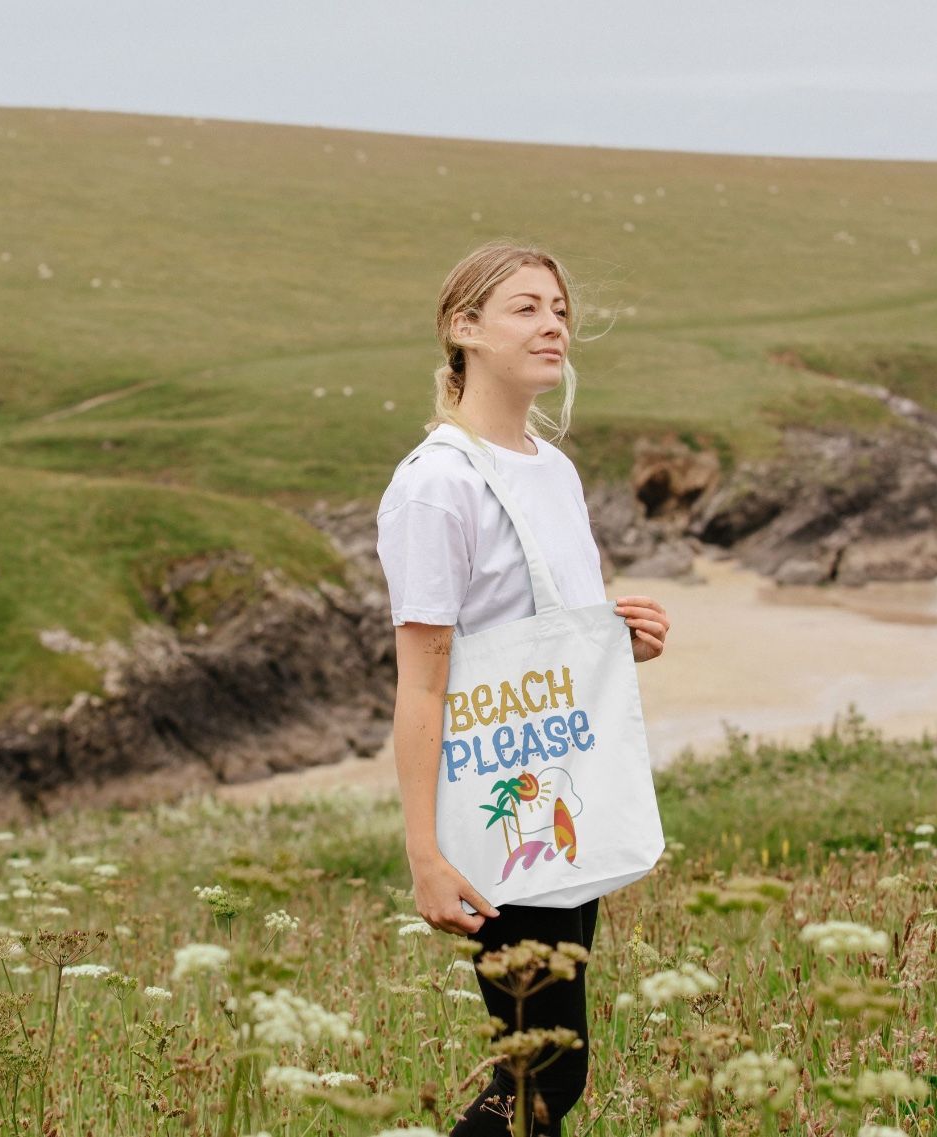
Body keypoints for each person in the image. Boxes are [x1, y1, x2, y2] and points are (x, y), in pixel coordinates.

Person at [375, 241, 670, 1136]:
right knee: (544, 1073)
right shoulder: (436, 486)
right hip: (498, 811)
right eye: (526, 308)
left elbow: (544, 642)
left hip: (564, 794)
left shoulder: (554, 465)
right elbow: (422, 685)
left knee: (545, 1070)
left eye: (560, 309)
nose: (553, 325)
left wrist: (626, 641)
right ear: (464, 329)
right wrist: (426, 852)